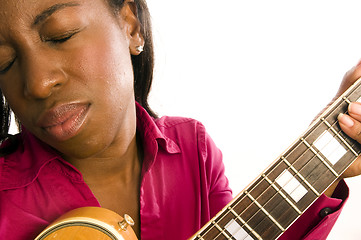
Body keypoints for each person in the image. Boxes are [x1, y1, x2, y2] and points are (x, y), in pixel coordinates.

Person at [0, 0, 361, 239]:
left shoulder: (194, 150)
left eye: (61, 35)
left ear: (130, 26)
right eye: (4, 62)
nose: (38, 84)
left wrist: (329, 160)